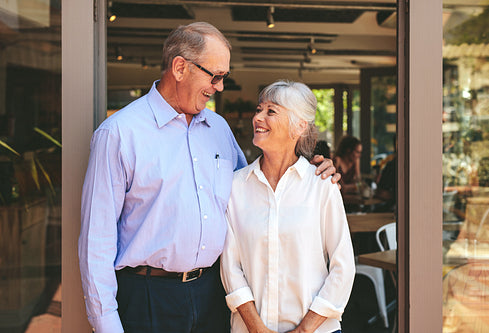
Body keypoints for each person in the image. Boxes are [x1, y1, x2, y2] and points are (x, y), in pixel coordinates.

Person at [78, 22, 340, 333]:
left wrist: (313, 171)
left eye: (223, 78)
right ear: (179, 67)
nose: (219, 87)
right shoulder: (120, 133)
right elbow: (96, 242)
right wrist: (106, 325)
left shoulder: (218, 129)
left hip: (214, 297)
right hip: (149, 297)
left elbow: (257, 188)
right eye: (215, 76)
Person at [221, 80, 355, 333]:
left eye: (271, 111)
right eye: (259, 109)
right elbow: (230, 267)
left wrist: (304, 330)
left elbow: (343, 267)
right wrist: (257, 328)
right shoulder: (235, 186)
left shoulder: (322, 185)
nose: (258, 117)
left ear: (299, 126)